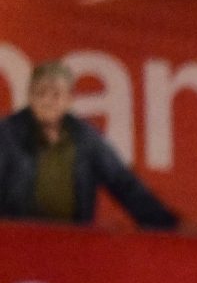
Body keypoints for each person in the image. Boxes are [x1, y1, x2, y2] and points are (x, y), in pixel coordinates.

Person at [0, 59, 178, 228]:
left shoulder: (86, 138)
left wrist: (167, 225)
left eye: (56, 95)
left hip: (73, 240)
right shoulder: (7, 134)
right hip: (17, 239)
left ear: (69, 99)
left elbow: (122, 182)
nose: (47, 101)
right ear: (30, 96)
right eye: (40, 93)